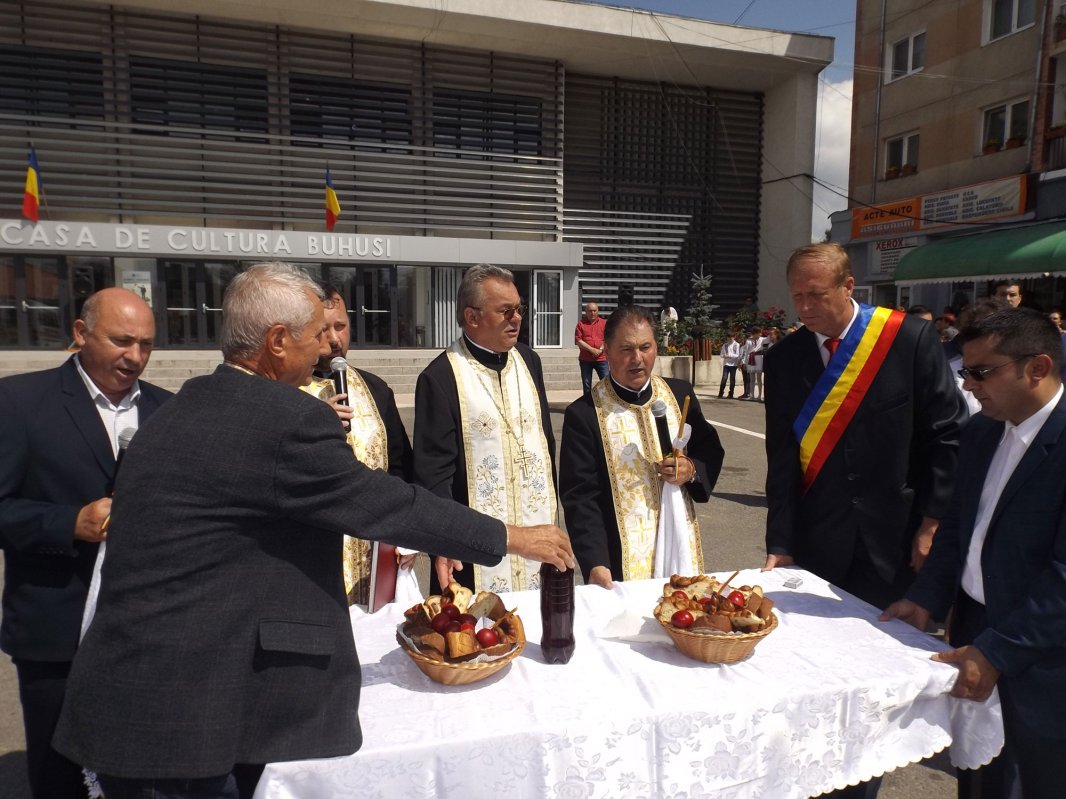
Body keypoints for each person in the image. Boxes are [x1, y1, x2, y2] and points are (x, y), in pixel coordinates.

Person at [53, 262, 574, 798]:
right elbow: (384, 503)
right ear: (277, 341)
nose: (327, 348)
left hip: (138, 687)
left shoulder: (186, 402)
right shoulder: (283, 419)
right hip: (189, 714)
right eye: (316, 335)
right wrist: (511, 536)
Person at [762, 243, 967, 799]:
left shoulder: (906, 339)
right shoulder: (784, 360)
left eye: (817, 295)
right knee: (813, 674)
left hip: (894, 542)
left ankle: (861, 784)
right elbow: (782, 459)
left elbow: (946, 438)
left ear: (850, 286)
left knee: (877, 682)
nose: (804, 308)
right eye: (797, 296)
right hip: (818, 544)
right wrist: (779, 542)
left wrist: (932, 522)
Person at [882, 308, 1066, 799]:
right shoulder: (983, 430)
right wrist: (926, 597)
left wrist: (998, 651)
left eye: (982, 372)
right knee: (979, 777)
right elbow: (961, 527)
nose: (968, 385)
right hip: (973, 628)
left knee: (1039, 780)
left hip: (1043, 658)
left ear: (1039, 367)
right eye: (965, 371)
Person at [0, 288, 171, 799]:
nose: (135, 357)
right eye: (122, 341)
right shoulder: (19, 403)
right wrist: (68, 522)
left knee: (139, 772)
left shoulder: (169, 409)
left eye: (146, 345)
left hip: (146, 631)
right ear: (80, 333)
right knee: (60, 777)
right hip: (56, 627)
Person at [414, 263, 557, 595]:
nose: (517, 318)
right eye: (506, 311)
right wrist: (442, 545)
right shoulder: (440, 377)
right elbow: (433, 476)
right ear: (472, 317)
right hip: (472, 554)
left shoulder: (529, 361)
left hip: (536, 531)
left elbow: (547, 443)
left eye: (519, 309)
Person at [559, 305, 724, 587]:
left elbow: (709, 449)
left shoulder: (679, 394)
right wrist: (595, 562)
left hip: (678, 544)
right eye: (626, 349)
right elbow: (580, 498)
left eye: (645, 347)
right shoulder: (585, 414)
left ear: (656, 348)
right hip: (619, 557)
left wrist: (691, 470)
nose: (637, 359)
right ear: (606, 351)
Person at [300, 283, 415, 607]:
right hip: (314, 559)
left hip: (375, 556)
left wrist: (407, 532)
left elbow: (402, 467)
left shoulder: (376, 389)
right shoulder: (285, 392)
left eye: (341, 326)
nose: (335, 339)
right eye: (323, 330)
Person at [575, 301, 609, 395]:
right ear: (586, 312)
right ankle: (587, 405)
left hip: (602, 359)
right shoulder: (581, 324)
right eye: (590, 311)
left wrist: (600, 350)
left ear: (598, 311)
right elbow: (578, 341)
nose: (592, 313)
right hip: (586, 359)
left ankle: (606, 404)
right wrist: (592, 350)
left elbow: (608, 338)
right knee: (586, 384)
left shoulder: (604, 323)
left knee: (606, 383)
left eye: (594, 310)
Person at [717, 331, 740, 398]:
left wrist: (730, 355)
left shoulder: (736, 345)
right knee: (724, 378)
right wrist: (724, 355)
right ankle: (721, 392)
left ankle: (731, 393)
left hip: (733, 364)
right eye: (728, 338)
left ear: (734, 337)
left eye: (731, 338)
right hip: (726, 364)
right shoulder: (725, 345)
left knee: (732, 379)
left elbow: (737, 355)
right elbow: (721, 354)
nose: (729, 339)